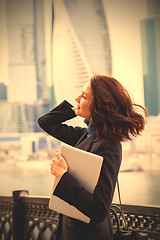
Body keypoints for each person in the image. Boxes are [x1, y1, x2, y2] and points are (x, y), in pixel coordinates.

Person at [38, 75, 147, 240]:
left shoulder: (109, 145)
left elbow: (98, 210)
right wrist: (75, 108)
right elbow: (45, 122)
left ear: (99, 105)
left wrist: (62, 175)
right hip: (71, 231)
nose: (77, 98)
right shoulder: (86, 135)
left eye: (83, 96)